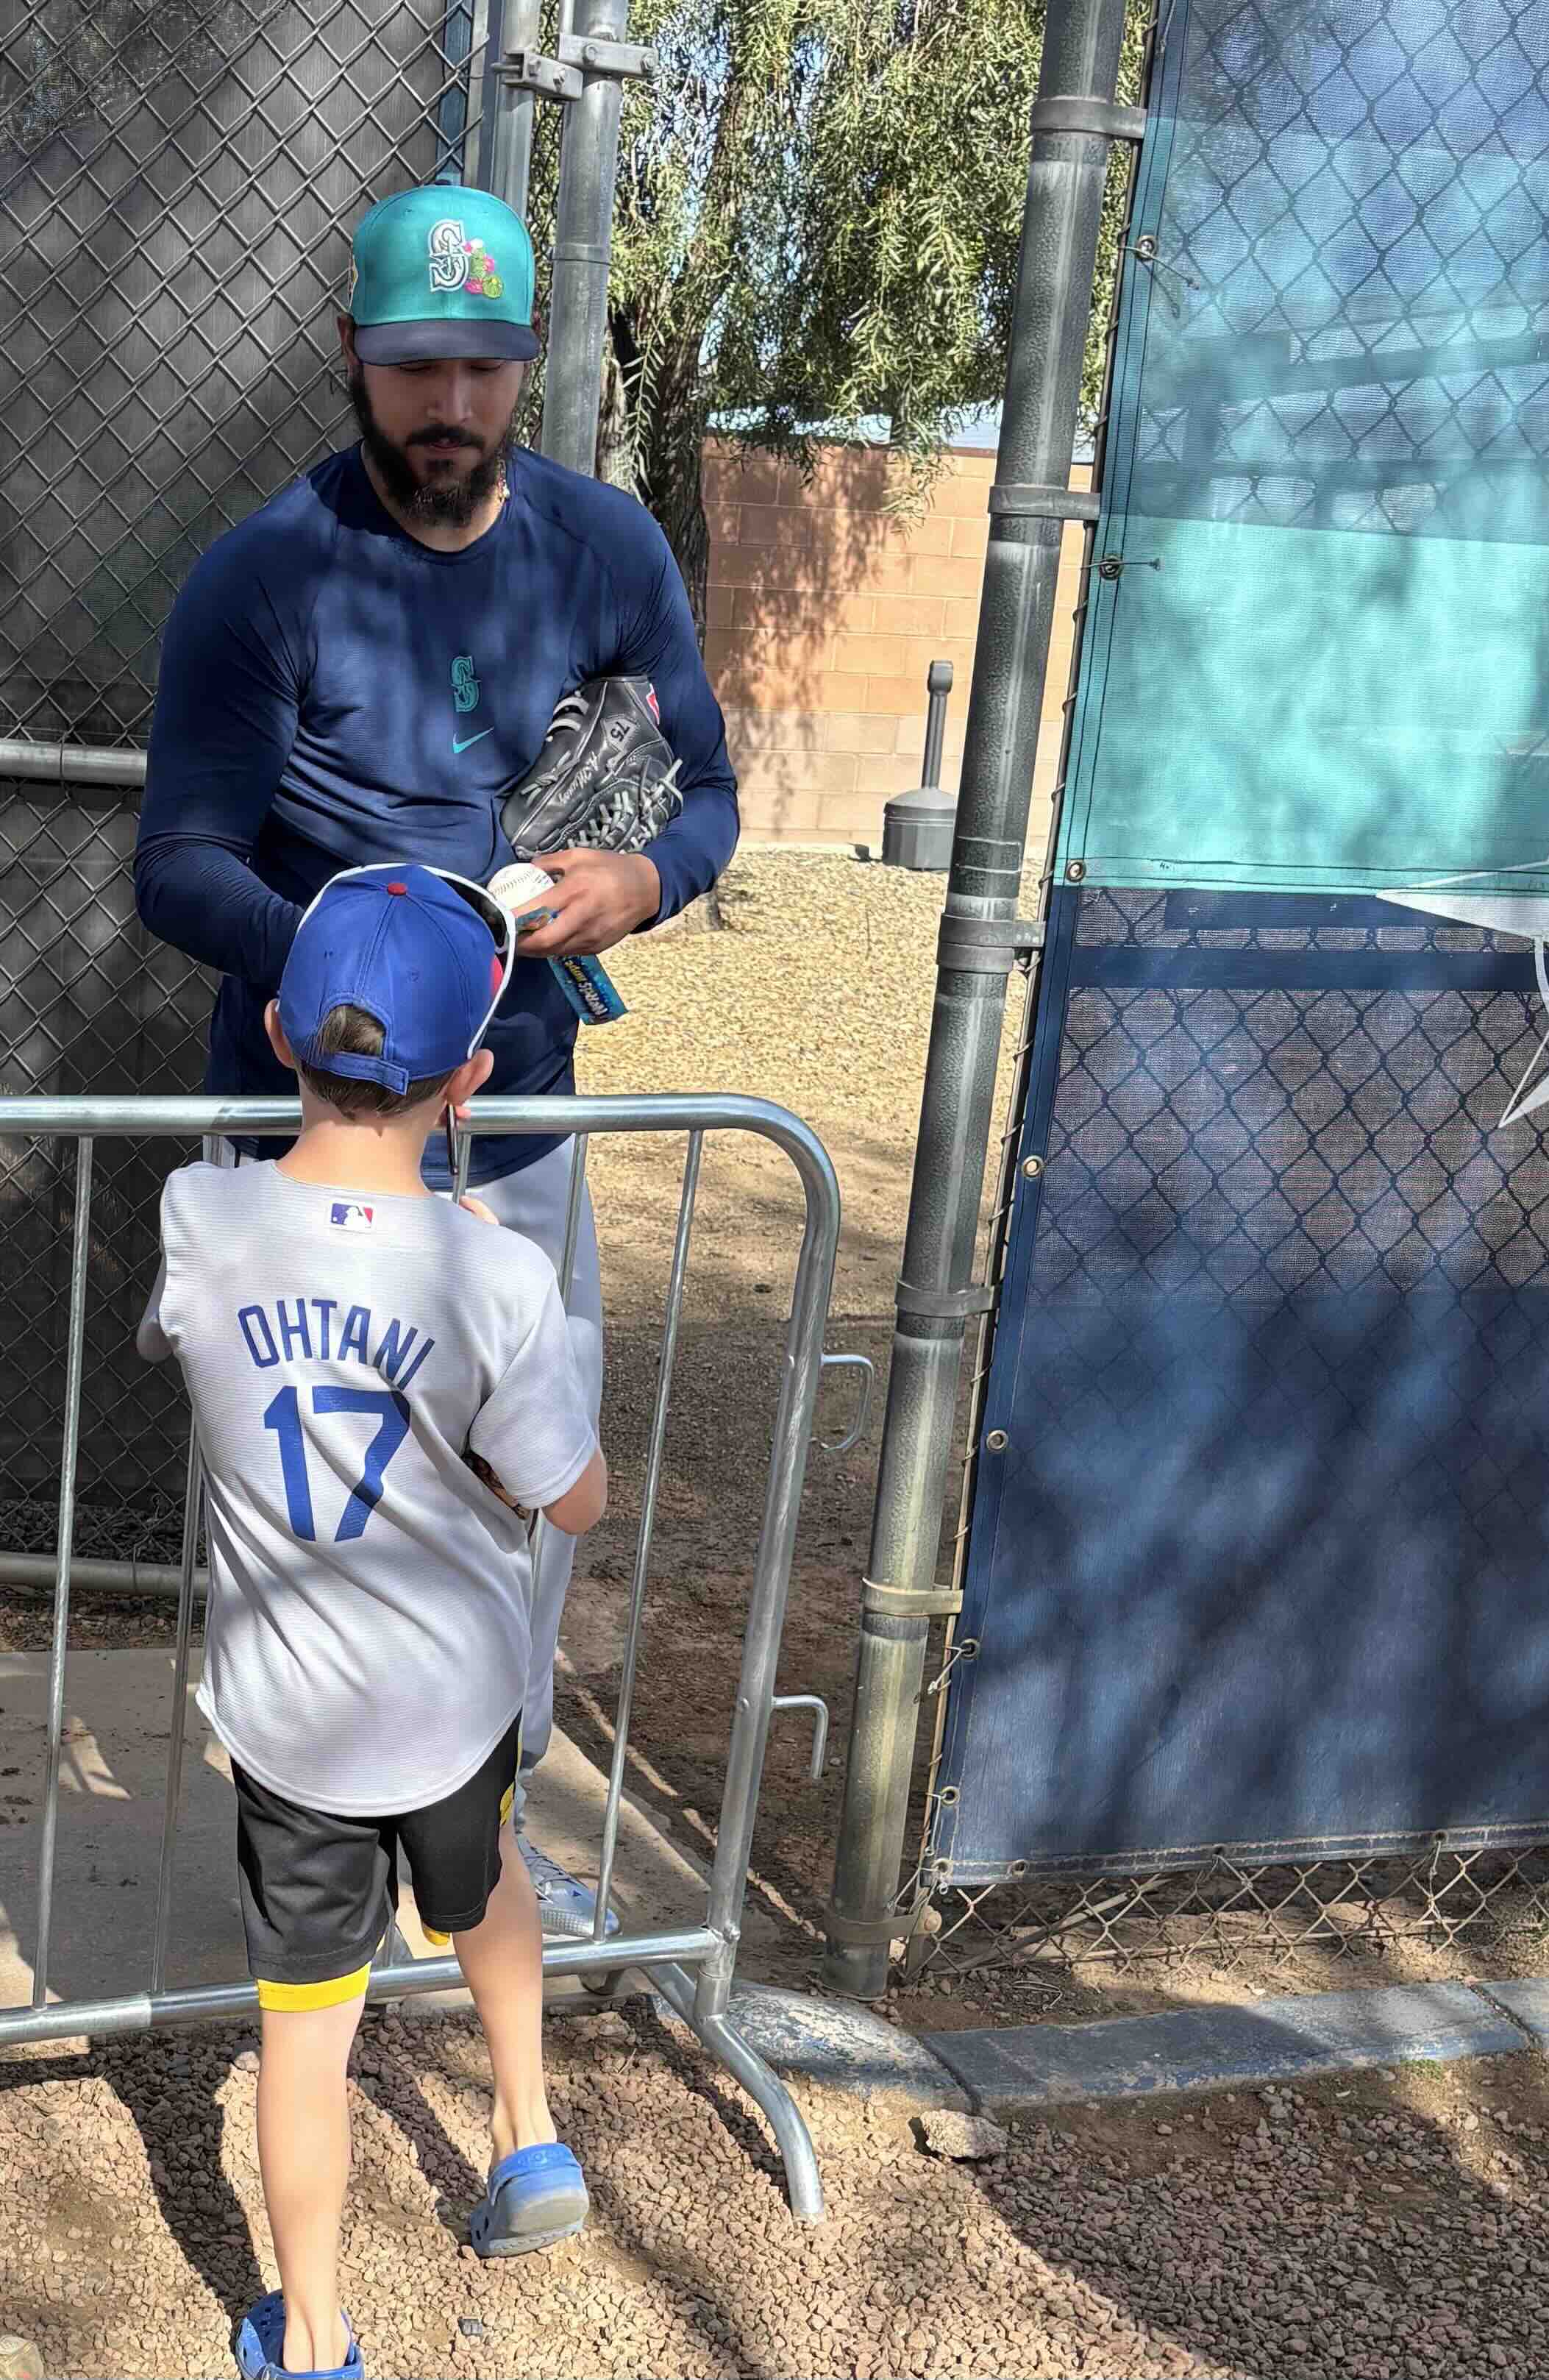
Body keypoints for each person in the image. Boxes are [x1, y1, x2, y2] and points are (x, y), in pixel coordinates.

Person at [132, 182, 738, 1930]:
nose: (448, 407)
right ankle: (305, 1852)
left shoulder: (606, 548)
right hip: (305, 1127)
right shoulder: (266, 575)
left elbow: (703, 794)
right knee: (320, 1509)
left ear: (529, 359)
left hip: (517, 1125)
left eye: (479, 366)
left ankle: (477, 1858)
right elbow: (180, 862)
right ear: (353, 358)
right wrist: (370, 972)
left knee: (528, 1490)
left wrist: (640, 879)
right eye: (413, 368)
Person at [137, 864, 608, 2380]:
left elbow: (189, 1329)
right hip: (455, 1698)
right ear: (470, 1074)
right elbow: (576, 1497)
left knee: (306, 2042)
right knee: (481, 1883)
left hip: (293, 1722)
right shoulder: (495, 1271)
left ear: (278, 1031)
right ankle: (528, 2131)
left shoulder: (201, 1212)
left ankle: (321, 2334)